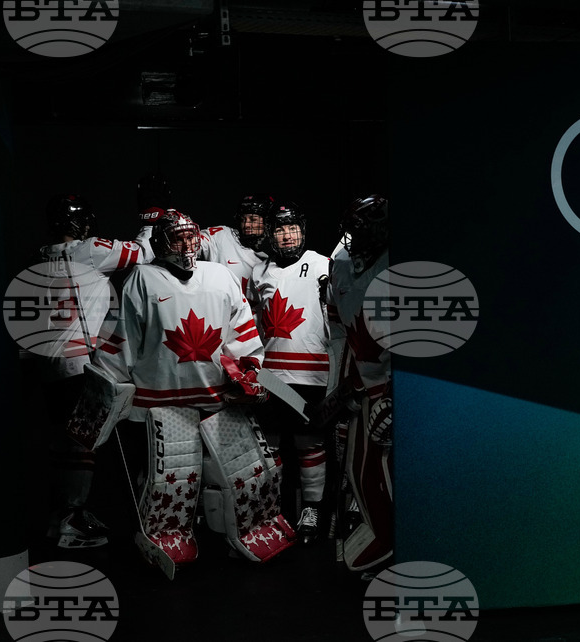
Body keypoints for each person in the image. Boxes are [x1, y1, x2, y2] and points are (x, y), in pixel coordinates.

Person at [86, 209, 295, 569]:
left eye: (190, 236)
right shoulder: (142, 279)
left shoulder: (220, 276)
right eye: (176, 238)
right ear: (159, 244)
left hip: (219, 400)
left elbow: (242, 330)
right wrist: (107, 388)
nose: (186, 245)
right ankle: (164, 536)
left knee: (250, 477)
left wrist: (248, 369)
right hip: (162, 405)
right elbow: (123, 341)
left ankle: (246, 531)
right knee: (170, 484)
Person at [37, 193, 152, 549]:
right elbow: (142, 252)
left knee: (65, 445)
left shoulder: (41, 257)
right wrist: (150, 218)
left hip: (51, 366)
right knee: (84, 444)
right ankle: (72, 519)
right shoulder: (89, 250)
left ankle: (60, 519)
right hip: (82, 366)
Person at [248, 200, 332, 544]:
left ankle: (312, 508)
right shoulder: (259, 272)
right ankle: (272, 510)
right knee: (269, 444)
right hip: (271, 375)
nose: (286, 235)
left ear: (303, 230)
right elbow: (254, 324)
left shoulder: (323, 264)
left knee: (308, 442)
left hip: (312, 373)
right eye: (280, 229)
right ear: (270, 234)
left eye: (292, 228)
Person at [325, 193, 393, 572]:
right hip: (366, 382)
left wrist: (398, 394)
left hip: (395, 386)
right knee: (358, 470)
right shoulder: (342, 263)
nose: (352, 238)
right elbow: (341, 333)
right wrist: (344, 384)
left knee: (386, 469)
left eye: (360, 229)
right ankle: (385, 537)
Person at [198, 193, 274, 297]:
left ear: (267, 222)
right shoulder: (221, 236)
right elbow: (193, 243)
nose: (246, 224)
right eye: (243, 219)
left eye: (253, 220)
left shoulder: (273, 258)